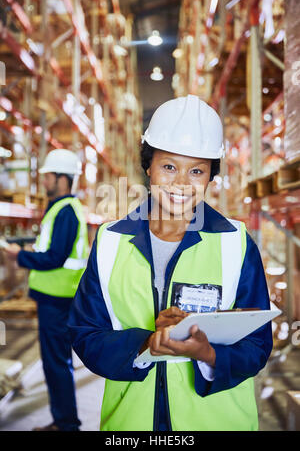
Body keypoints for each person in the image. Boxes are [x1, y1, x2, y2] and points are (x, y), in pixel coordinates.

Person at [68, 95, 273, 431]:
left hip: (216, 422)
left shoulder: (235, 243)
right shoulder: (110, 242)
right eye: (168, 167)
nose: (181, 183)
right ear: (148, 166)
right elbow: (85, 334)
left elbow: (258, 344)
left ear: (210, 177)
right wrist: (146, 344)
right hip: (131, 424)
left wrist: (209, 355)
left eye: (196, 171)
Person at [5, 149, 89, 431]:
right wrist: (29, 249)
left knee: (56, 364)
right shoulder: (59, 209)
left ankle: (66, 424)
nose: (45, 181)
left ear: (64, 179)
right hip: (53, 298)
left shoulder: (66, 211)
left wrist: (20, 256)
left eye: (50, 176)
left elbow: (55, 257)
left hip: (58, 300)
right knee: (55, 363)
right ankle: (63, 421)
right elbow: (49, 249)